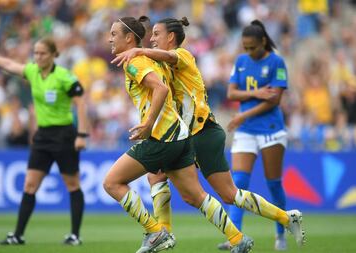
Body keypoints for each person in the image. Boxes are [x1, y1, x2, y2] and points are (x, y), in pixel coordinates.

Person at [111, 17, 305, 251]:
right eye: (150, 35)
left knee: (229, 194)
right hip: (185, 134)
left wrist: (137, 49)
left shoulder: (182, 55)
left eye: (157, 34)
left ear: (171, 37)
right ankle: (168, 234)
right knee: (164, 180)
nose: (152, 39)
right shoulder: (157, 62)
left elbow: (167, 63)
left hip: (202, 132)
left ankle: (284, 218)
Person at [0, 37, 89, 246]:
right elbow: (9, 65)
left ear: (54, 55)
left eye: (42, 53)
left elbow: (81, 104)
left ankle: (75, 235)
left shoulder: (65, 77)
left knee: (72, 185)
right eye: (35, 53)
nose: (37, 57)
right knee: (29, 185)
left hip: (64, 135)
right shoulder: (32, 71)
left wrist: (82, 135)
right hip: (43, 136)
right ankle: (18, 235)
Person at [219, 19, 297, 251]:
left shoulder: (276, 61)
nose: (249, 52)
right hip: (245, 132)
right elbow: (231, 93)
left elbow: (274, 99)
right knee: (239, 184)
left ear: (263, 41)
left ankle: (280, 234)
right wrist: (256, 92)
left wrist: (244, 113)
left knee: (273, 184)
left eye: (253, 47)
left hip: (271, 129)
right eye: (246, 47)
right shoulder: (241, 62)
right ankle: (235, 238)